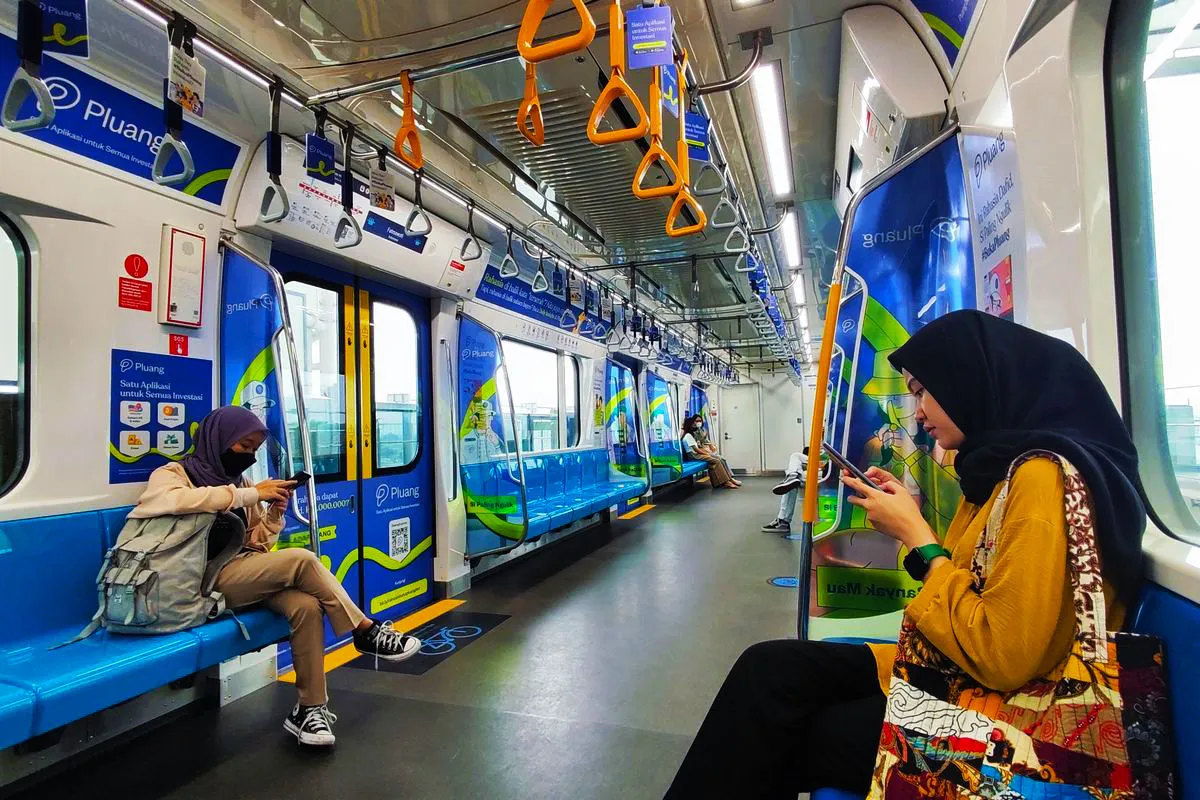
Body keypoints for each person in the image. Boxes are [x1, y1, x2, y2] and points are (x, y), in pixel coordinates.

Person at [665, 310, 1146, 798]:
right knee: (769, 669)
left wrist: (916, 535)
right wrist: (912, 527)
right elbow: (968, 576)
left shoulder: (1040, 478)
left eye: (921, 391)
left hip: (1011, 717)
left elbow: (1003, 657)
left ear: (968, 381)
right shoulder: (996, 473)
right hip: (964, 676)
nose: (917, 412)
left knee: (798, 729)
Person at [129, 406, 423, 747]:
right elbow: (164, 501)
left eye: (254, 449)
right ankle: (364, 630)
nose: (248, 456)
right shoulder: (175, 474)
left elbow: (255, 545)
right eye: (243, 446)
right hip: (197, 582)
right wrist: (250, 495)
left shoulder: (240, 483)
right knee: (302, 559)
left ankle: (310, 709)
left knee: (305, 606)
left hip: (243, 573)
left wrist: (275, 513)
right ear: (218, 439)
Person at [760, 448, 809, 533]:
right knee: (793, 482)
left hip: (827, 468)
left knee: (795, 458)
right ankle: (783, 521)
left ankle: (783, 521)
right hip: (824, 464)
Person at [682, 417, 741, 488]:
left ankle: (727, 480)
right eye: (693, 424)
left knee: (719, 459)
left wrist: (707, 451)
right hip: (694, 455)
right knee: (716, 461)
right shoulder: (688, 436)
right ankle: (726, 482)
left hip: (696, 454)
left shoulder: (691, 435)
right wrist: (706, 453)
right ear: (690, 426)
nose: (695, 426)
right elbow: (696, 450)